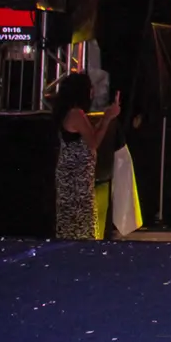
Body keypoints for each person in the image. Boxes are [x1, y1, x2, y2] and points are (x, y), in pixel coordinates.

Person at [53, 73, 120, 240]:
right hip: (76, 180)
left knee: (74, 224)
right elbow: (93, 142)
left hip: (76, 177)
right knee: (80, 226)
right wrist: (107, 118)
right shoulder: (76, 114)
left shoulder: (71, 113)